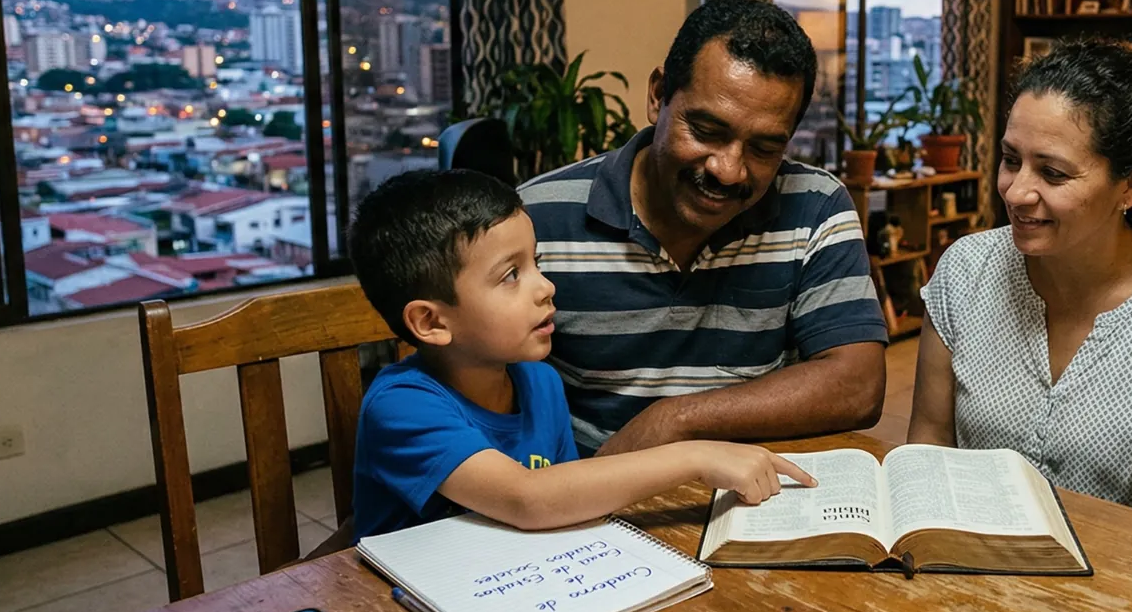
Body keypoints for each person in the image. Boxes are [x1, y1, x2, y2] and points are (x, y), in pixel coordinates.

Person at [348, 169, 813, 539]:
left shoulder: (539, 381)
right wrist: (695, 456)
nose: (546, 287)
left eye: (538, 263)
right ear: (431, 322)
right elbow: (528, 498)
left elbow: (568, 501)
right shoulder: (401, 405)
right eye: (511, 275)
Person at [521, 0, 888, 456]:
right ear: (658, 96)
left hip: (755, 499)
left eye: (764, 148)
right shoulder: (535, 219)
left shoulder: (815, 207)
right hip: (593, 505)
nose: (729, 170)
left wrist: (675, 421)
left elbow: (857, 384)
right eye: (707, 131)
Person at [908, 40, 1132, 515]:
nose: (1016, 191)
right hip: (966, 563)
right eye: (1011, 160)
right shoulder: (967, 270)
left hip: (1121, 582)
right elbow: (927, 458)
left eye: (1052, 173)